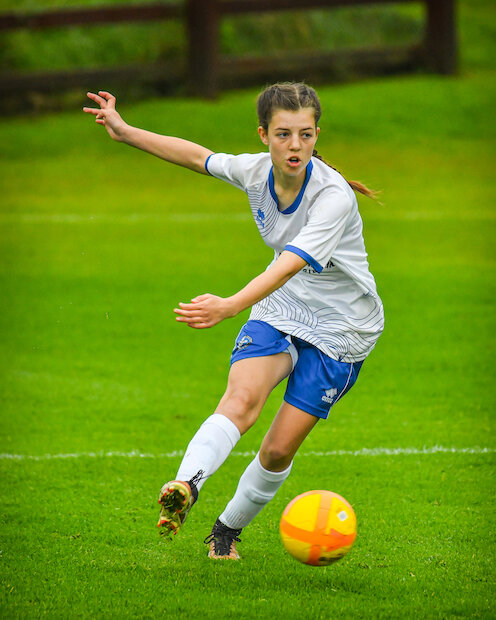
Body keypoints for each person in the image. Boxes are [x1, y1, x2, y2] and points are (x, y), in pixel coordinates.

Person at [83, 82, 384, 561]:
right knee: (241, 399)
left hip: (342, 328)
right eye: (284, 134)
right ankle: (186, 485)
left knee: (277, 451)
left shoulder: (333, 197)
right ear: (263, 134)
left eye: (306, 135)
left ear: (316, 134)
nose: (295, 146)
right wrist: (126, 132)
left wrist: (229, 304)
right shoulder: (255, 170)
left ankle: (225, 531)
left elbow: (289, 262)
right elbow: (197, 156)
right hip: (282, 304)